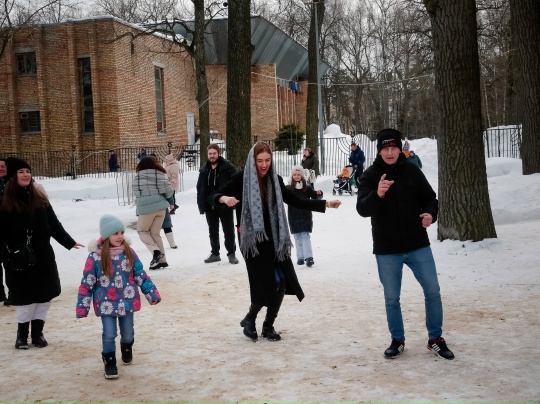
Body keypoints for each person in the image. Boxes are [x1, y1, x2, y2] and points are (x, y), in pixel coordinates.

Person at [210, 142, 341, 342]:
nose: (264, 165)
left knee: (282, 281)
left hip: (275, 239)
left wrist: (326, 204)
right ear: (253, 160)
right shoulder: (241, 179)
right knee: (266, 282)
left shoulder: (275, 180)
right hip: (252, 241)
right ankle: (251, 319)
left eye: (267, 160)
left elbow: (296, 200)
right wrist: (223, 198)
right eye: (260, 161)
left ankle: (266, 324)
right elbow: (214, 195)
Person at [356, 128, 454, 360]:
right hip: (387, 248)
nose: (390, 153)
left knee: (433, 291)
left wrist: (431, 215)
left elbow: (430, 199)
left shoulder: (412, 171)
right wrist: (378, 194)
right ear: (379, 151)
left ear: (400, 149)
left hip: (417, 244)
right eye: (385, 148)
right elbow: (362, 209)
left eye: (393, 148)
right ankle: (397, 340)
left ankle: (435, 338)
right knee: (392, 298)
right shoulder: (370, 175)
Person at [0, 157, 83, 349]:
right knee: (25, 301)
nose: (26, 175)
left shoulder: (40, 198)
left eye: (28, 172)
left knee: (44, 297)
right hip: (19, 260)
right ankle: (22, 336)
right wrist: (8, 256)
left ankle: (38, 334)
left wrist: (69, 242)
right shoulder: (4, 202)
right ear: (12, 176)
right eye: (21, 172)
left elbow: (53, 224)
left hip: (43, 257)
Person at [76, 214, 161, 379]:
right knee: (109, 333)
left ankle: (126, 346)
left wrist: (151, 293)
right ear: (106, 235)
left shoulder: (128, 252)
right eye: (115, 233)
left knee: (128, 333)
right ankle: (109, 362)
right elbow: (87, 282)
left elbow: (140, 274)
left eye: (122, 232)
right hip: (105, 303)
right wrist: (82, 307)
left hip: (127, 301)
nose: (120, 236)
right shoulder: (95, 257)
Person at [196, 144, 239, 265]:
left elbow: (235, 185)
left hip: (225, 206)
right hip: (210, 205)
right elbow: (200, 187)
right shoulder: (204, 170)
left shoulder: (228, 168)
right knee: (213, 231)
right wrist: (201, 203)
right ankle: (215, 253)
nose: (212, 156)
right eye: (210, 154)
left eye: (214, 153)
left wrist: (230, 199)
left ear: (219, 153)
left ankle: (231, 253)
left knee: (228, 231)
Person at [132, 156, 174, 270]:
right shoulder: (161, 175)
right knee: (155, 234)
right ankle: (162, 261)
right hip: (161, 208)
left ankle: (155, 251)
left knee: (142, 231)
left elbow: (136, 192)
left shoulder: (137, 177)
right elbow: (169, 191)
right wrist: (163, 197)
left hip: (146, 209)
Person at [286, 165, 323, 267]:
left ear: (302, 176)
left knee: (305, 235)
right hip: (293, 216)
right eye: (294, 174)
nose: (297, 176)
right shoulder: (288, 188)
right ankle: (300, 257)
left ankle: (309, 257)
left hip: (305, 215)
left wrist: (318, 194)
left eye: (299, 174)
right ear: (292, 176)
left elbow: (315, 196)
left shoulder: (307, 188)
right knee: (297, 237)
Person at [0, 158, 10, 306]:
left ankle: (13, 293)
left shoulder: (13, 183)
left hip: (10, 230)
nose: (1, 168)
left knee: (11, 263)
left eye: (3, 166)